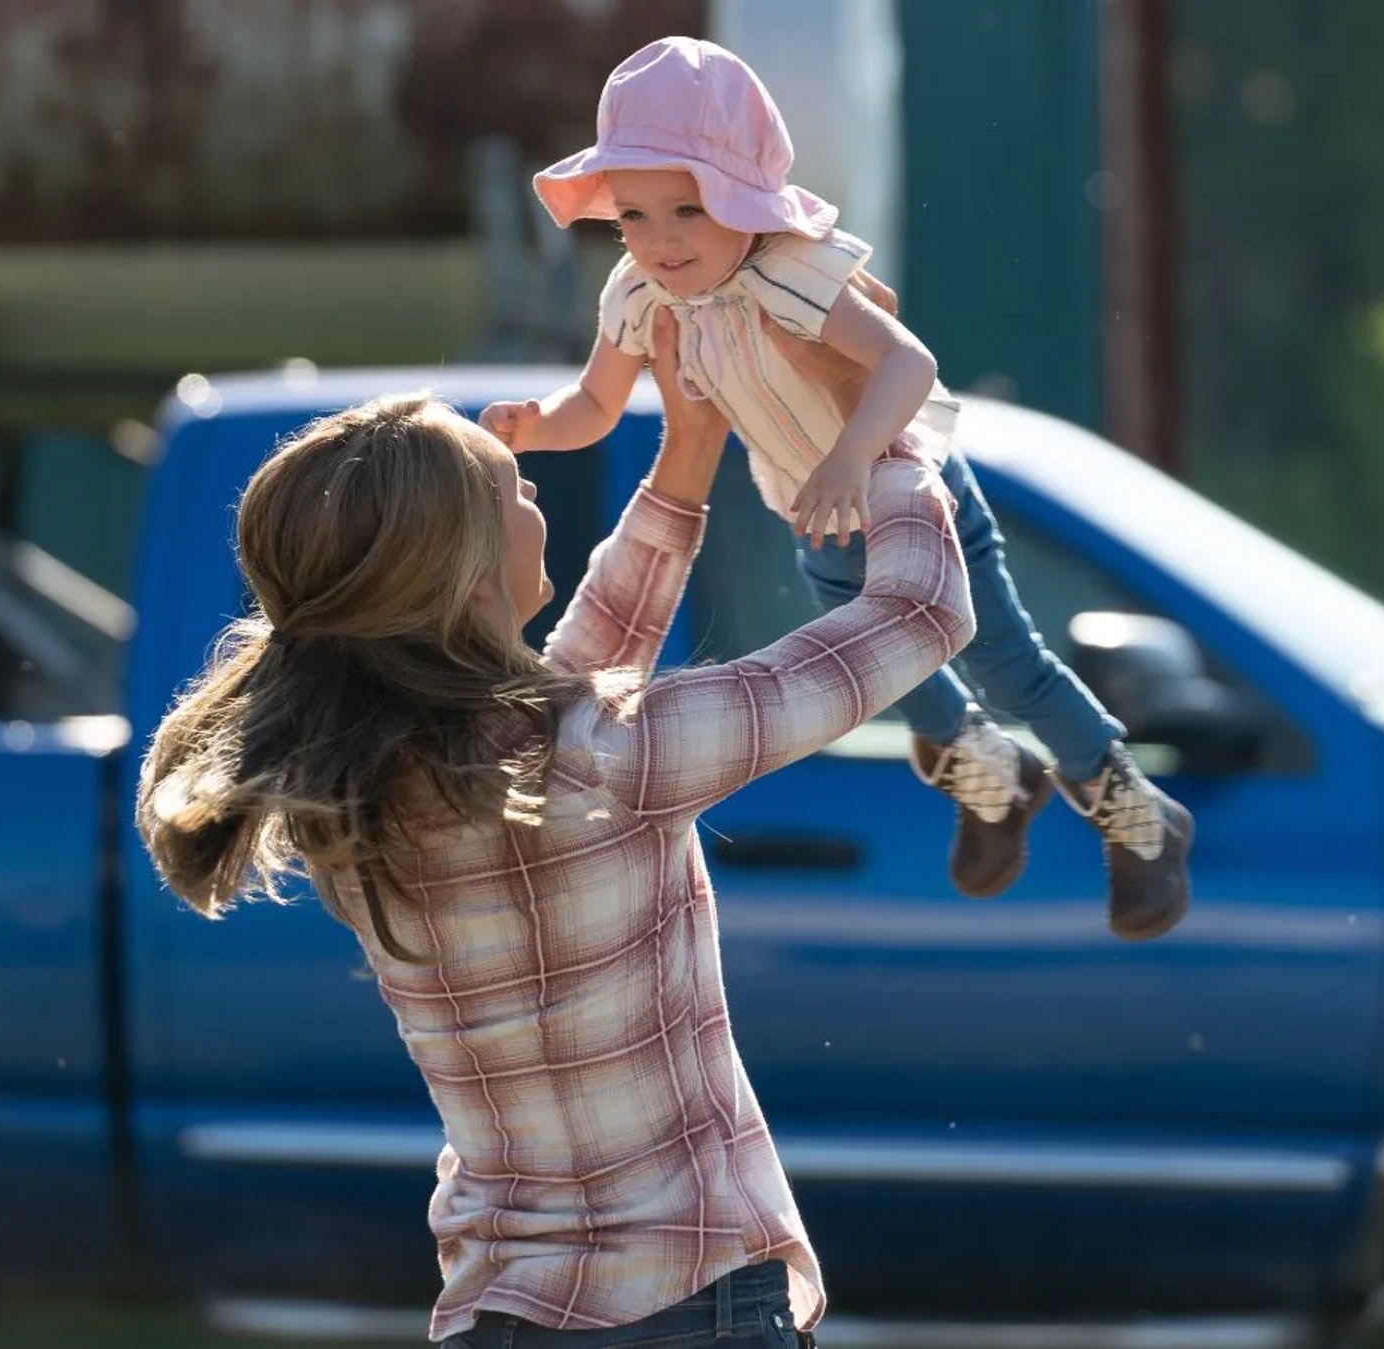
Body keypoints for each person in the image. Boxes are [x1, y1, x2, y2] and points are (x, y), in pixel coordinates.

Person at [133, 303, 974, 1345]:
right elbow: (924, 611)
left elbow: (564, 690)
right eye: (515, 489)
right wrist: (873, 421)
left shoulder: (356, 786)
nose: (536, 498)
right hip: (689, 1310)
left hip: (502, 1313)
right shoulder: (605, 755)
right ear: (469, 567)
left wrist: (686, 456)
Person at [480, 35, 1193, 940]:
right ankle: (991, 773)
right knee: (880, 672)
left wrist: (855, 453)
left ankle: (1133, 806)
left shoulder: (788, 269)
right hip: (814, 510)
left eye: (688, 210)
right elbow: (597, 400)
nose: (660, 241)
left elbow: (905, 360)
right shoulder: (641, 294)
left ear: (744, 201)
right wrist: (538, 425)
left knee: (1003, 661)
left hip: (905, 488)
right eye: (635, 215)